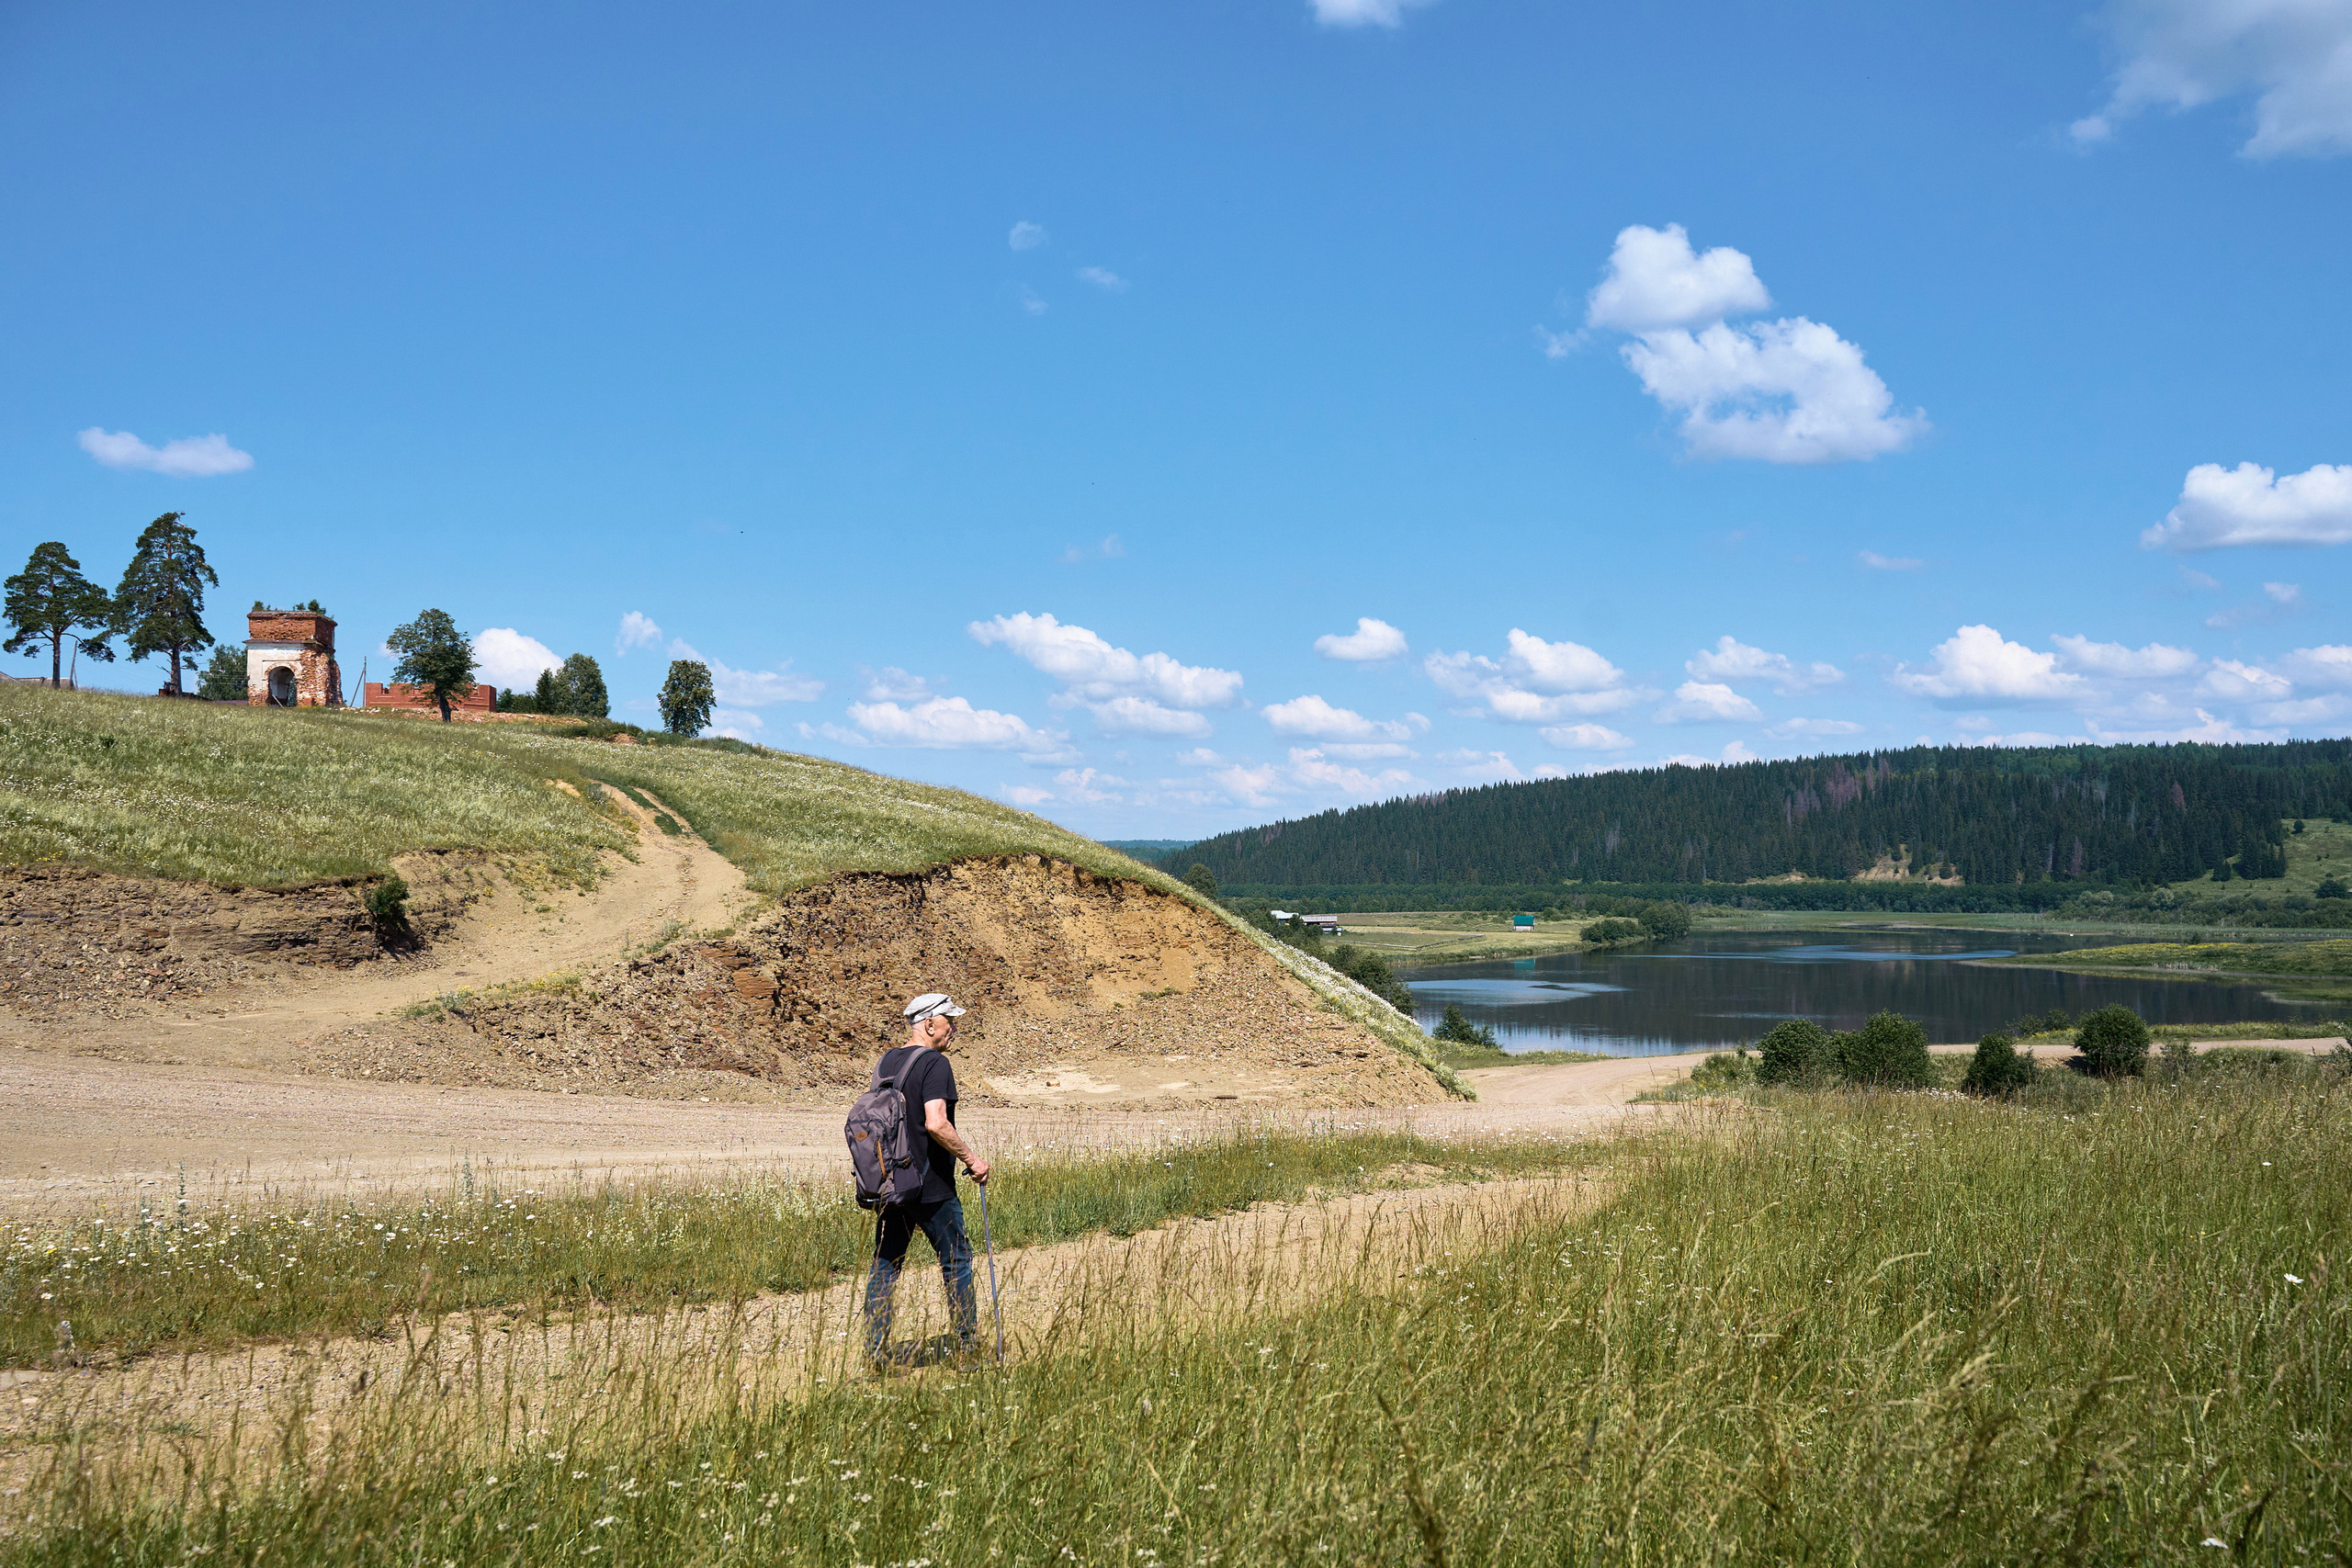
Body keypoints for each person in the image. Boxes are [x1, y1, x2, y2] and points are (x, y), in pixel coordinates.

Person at [863, 991, 990, 1364]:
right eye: (950, 1021)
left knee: (886, 1265)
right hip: (930, 1184)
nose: (955, 1029)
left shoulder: (886, 1062)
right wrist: (973, 1160)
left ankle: (876, 1352)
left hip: (891, 1184)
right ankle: (967, 1347)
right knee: (956, 1261)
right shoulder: (935, 1063)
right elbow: (936, 1123)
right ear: (930, 1024)